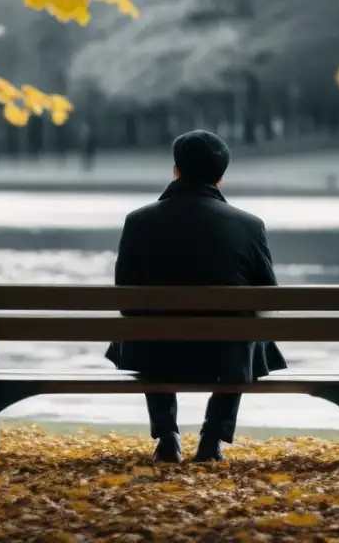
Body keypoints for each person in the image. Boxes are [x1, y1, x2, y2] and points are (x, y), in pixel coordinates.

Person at [105, 129, 287, 463]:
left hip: (155, 353)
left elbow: (125, 300)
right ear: (221, 177)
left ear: (176, 170)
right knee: (251, 332)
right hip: (226, 357)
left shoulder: (138, 221)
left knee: (140, 328)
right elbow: (268, 299)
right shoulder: (249, 225)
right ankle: (213, 437)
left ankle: (167, 436)